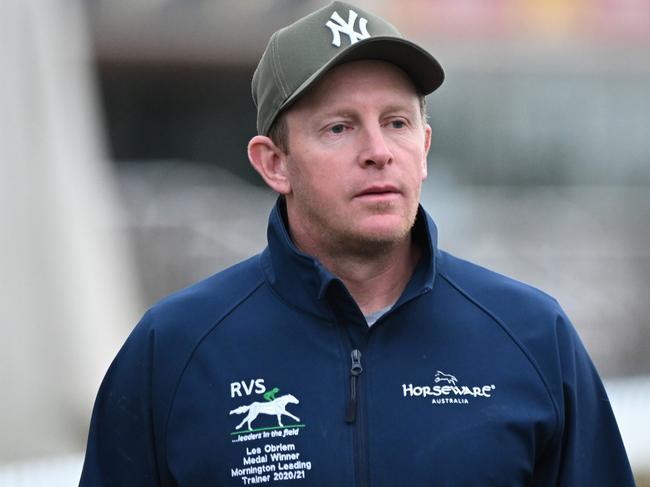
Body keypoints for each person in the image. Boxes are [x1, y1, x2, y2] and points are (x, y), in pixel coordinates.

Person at [80, 2, 635, 486]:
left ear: (425, 145)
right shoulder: (174, 349)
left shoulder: (534, 336)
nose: (378, 151)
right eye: (339, 128)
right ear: (274, 164)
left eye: (396, 122)